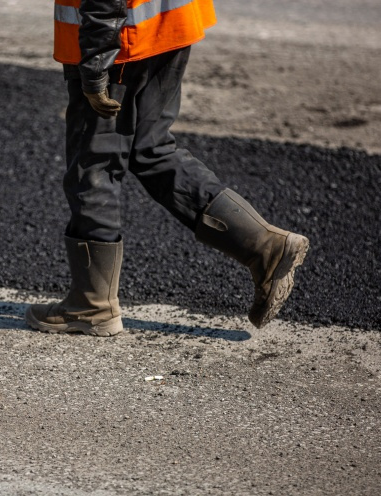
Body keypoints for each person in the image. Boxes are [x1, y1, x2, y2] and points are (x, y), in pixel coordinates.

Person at [26, 0, 309, 336]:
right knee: (150, 147)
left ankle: (92, 305)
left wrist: (96, 60)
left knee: (95, 164)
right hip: (166, 21)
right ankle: (264, 246)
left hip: (119, 37)